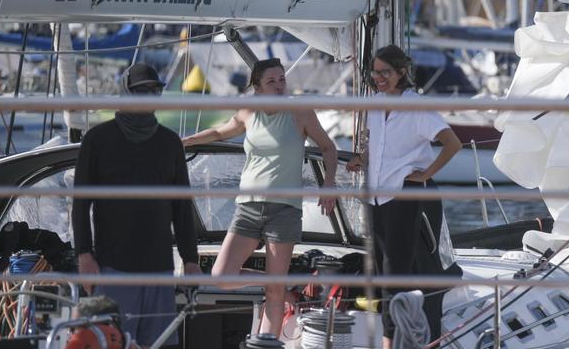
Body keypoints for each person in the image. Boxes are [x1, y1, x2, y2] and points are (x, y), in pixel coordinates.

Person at [181, 57, 338, 337]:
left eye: (282, 80)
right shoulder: (248, 112)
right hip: (248, 207)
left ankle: (269, 340)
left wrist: (328, 184)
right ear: (257, 87)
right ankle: (280, 284)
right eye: (271, 81)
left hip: (284, 209)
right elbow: (219, 132)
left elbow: (328, 148)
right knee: (222, 276)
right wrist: (184, 142)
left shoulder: (300, 112)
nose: (279, 86)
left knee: (274, 293)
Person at [72, 63, 200, 348]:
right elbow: (81, 203)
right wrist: (84, 253)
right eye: (142, 91)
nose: (150, 96)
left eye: (155, 91)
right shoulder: (97, 140)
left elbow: (182, 207)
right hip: (113, 266)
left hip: (160, 268)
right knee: (111, 341)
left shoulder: (170, 143)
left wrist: (190, 259)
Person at [346, 45, 462, 349]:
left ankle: (391, 340)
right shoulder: (374, 103)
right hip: (374, 194)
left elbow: (452, 143)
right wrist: (361, 157)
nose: (379, 77)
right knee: (382, 266)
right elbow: (381, 147)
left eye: (386, 72)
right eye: (375, 72)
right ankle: (403, 333)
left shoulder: (415, 106)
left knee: (393, 270)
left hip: (402, 193)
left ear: (401, 73)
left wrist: (425, 174)